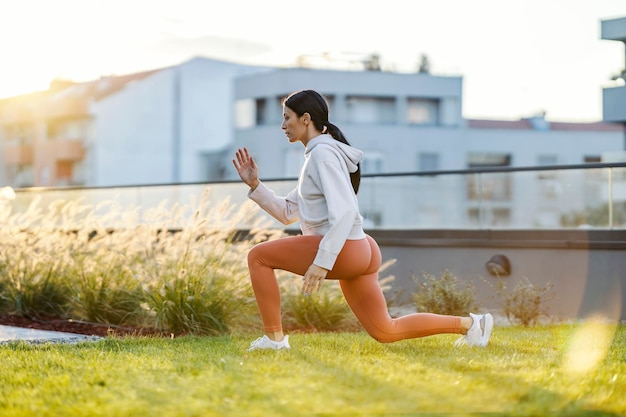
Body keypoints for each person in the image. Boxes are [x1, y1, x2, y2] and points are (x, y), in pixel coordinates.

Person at [232, 89, 493, 351]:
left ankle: (274, 341)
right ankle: (472, 325)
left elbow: (345, 211)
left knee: (259, 257)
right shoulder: (319, 154)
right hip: (361, 248)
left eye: (287, 117)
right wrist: (255, 184)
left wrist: (322, 263)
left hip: (346, 249)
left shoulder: (322, 154)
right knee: (385, 330)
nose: (283, 125)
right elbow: (288, 212)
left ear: (306, 119)